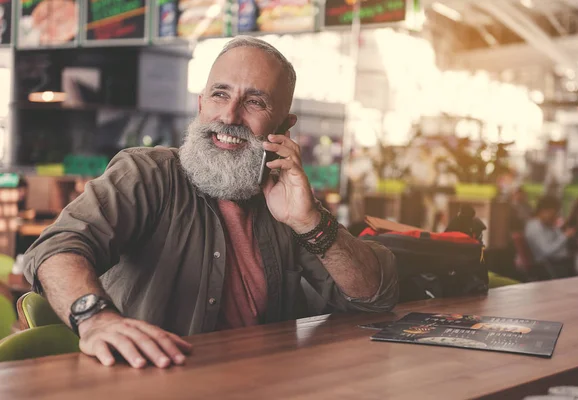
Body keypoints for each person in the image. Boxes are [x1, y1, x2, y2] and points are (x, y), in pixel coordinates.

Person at [22, 36, 398, 369]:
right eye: (220, 94)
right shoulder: (147, 172)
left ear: (284, 127)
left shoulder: (286, 200)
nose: (229, 116)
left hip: (261, 384)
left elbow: (372, 297)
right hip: (148, 380)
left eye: (255, 101)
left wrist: (311, 222)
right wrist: (97, 320)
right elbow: (57, 247)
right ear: (201, 105)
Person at [524, 195, 574, 279]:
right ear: (544, 210)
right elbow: (546, 251)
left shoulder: (546, 225)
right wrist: (565, 236)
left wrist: (555, 228)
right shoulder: (535, 226)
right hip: (550, 266)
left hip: (558, 263)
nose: (555, 216)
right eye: (553, 213)